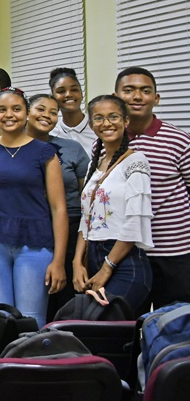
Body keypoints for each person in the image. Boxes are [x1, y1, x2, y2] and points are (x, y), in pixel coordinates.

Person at [0, 88, 68, 327]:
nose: (9, 115)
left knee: (31, 320)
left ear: (27, 113)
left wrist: (59, 260)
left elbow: (58, 208)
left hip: (35, 244)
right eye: (2, 109)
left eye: (16, 109)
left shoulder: (46, 153)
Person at [115, 67, 190, 307]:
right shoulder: (106, 143)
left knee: (174, 321)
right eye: (129, 90)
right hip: (126, 253)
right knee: (126, 321)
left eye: (145, 91)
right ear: (116, 97)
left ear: (156, 98)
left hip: (174, 252)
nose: (137, 96)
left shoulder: (178, 140)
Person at [74, 95, 153, 310]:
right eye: (99, 118)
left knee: (102, 318)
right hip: (93, 256)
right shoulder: (95, 164)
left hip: (124, 262)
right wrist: (77, 262)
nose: (106, 123)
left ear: (125, 121)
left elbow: (135, 222)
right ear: (92, 124)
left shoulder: (136, 161)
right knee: (91, 323)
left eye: (113, 117)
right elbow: (86, 218)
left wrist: (107, 267)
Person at [26, 93, 90, 321]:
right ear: (26, 112)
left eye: (54, 113)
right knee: (32, 300)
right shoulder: (10, 147)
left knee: (65, 299)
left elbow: (87, 196)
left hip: (69, 228)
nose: (47, 116)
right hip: (28, 229)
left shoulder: (71, 148)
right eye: (40, 109)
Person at [49, 67, 96, 156]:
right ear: (53, 98)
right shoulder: (51, 133)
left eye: (74, 90)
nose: (68, 94)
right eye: (61, 91)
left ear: (81, 94)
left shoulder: (97, 128)